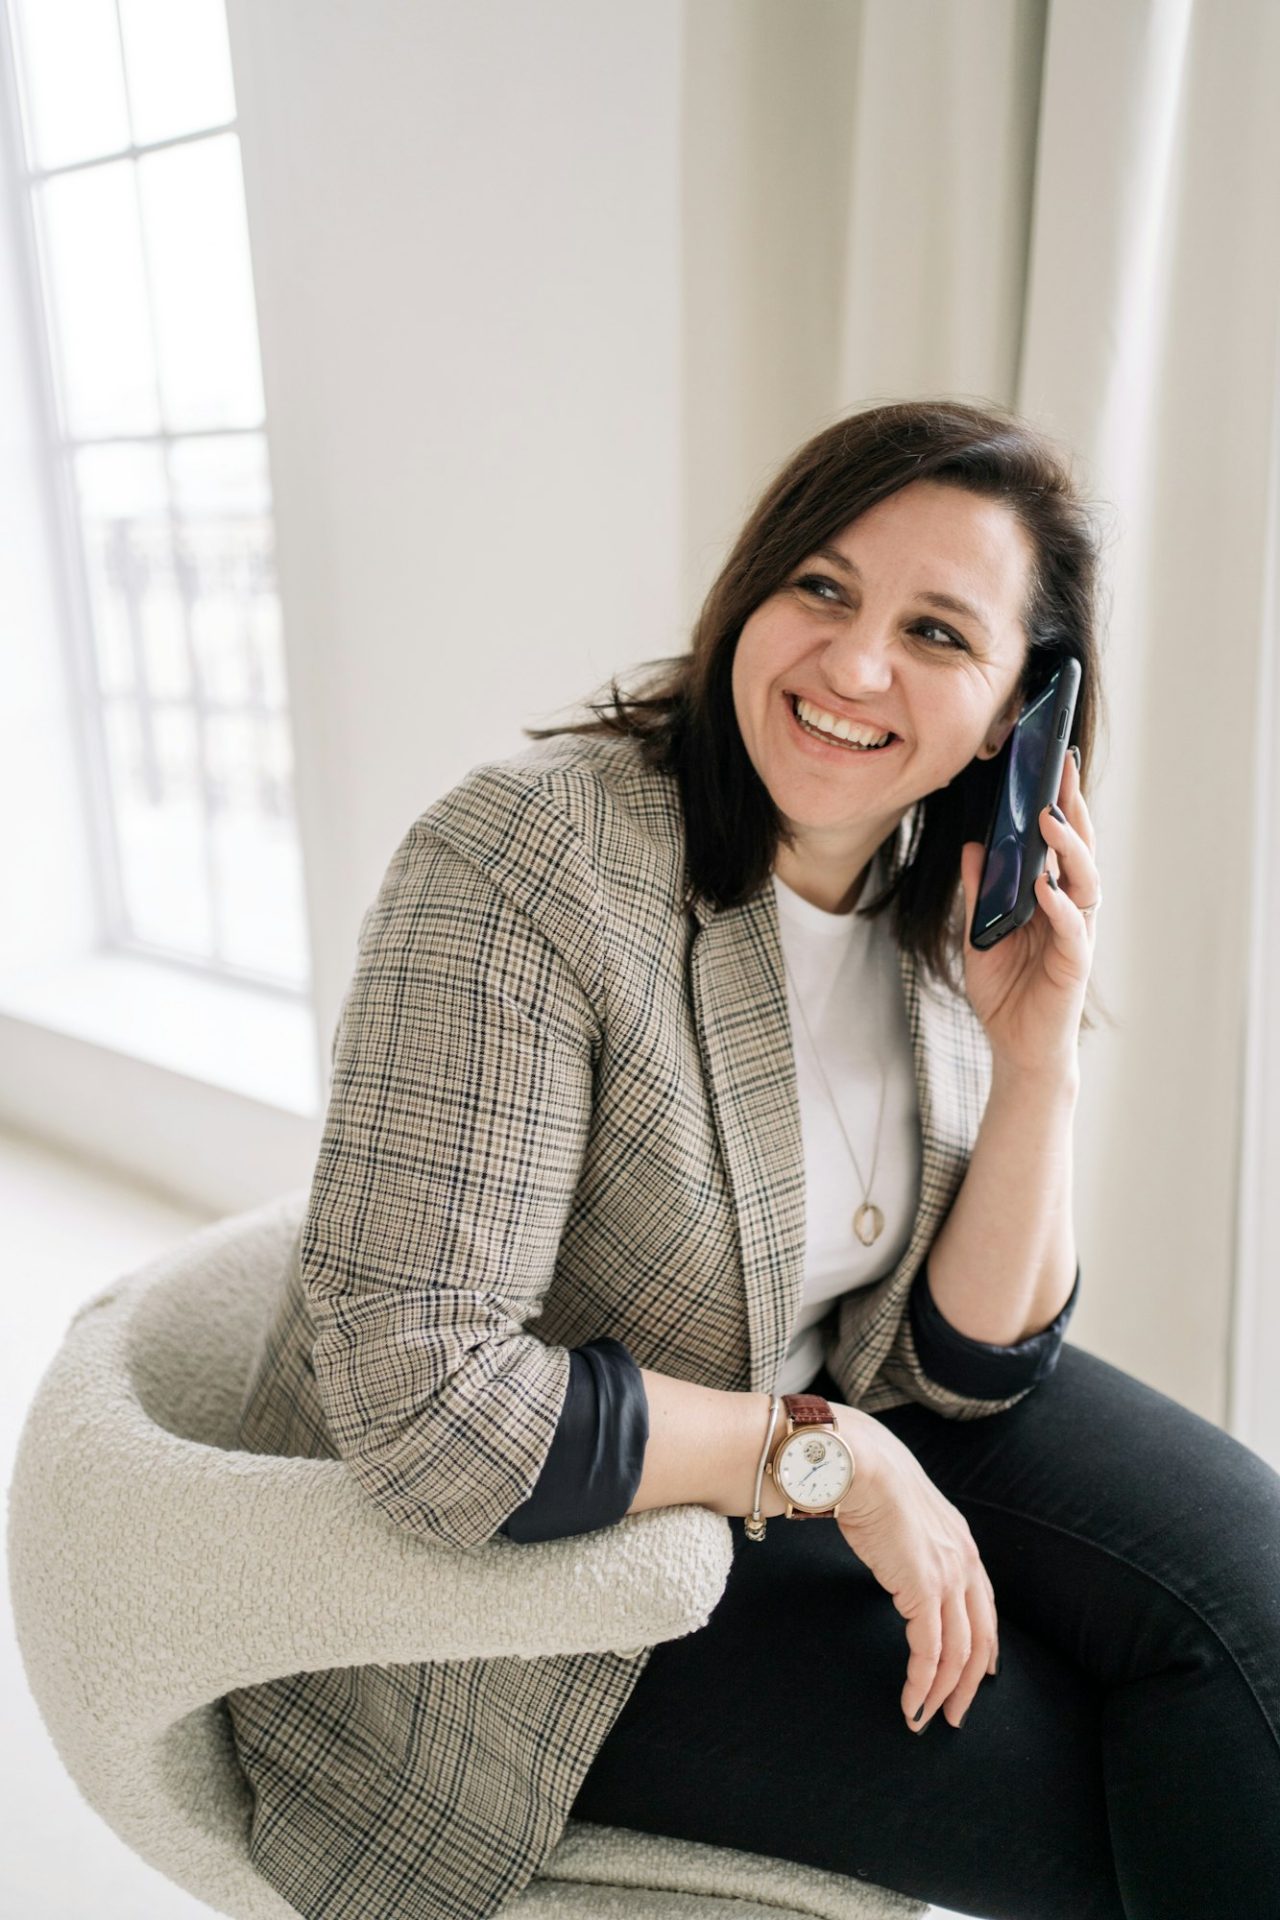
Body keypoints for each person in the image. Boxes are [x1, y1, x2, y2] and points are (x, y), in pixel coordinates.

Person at [224, 399, 1280, 1920]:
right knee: (1107, 1790)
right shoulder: (526, 866)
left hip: (821, 1418)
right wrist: (835, 1459)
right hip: (534, 1575)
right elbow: (426, 1400)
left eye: (936, 632)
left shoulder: (934, 901)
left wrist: (1037, 1051)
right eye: (825, 589)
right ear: (751, 593)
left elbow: (971, 1366)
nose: (855, 667)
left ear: (1014, 715)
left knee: (1252, 1618)